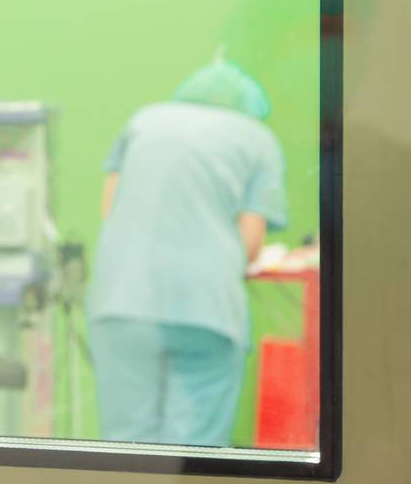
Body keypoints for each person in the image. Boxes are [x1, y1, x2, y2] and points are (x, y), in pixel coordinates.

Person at [86, 57, 289, 447]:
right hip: (207, 309)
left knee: (126, 448)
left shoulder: (144, 120)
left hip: (122, 303)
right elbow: (251, 241)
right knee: (195, 457)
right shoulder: (257, 137)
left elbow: (111, 209)